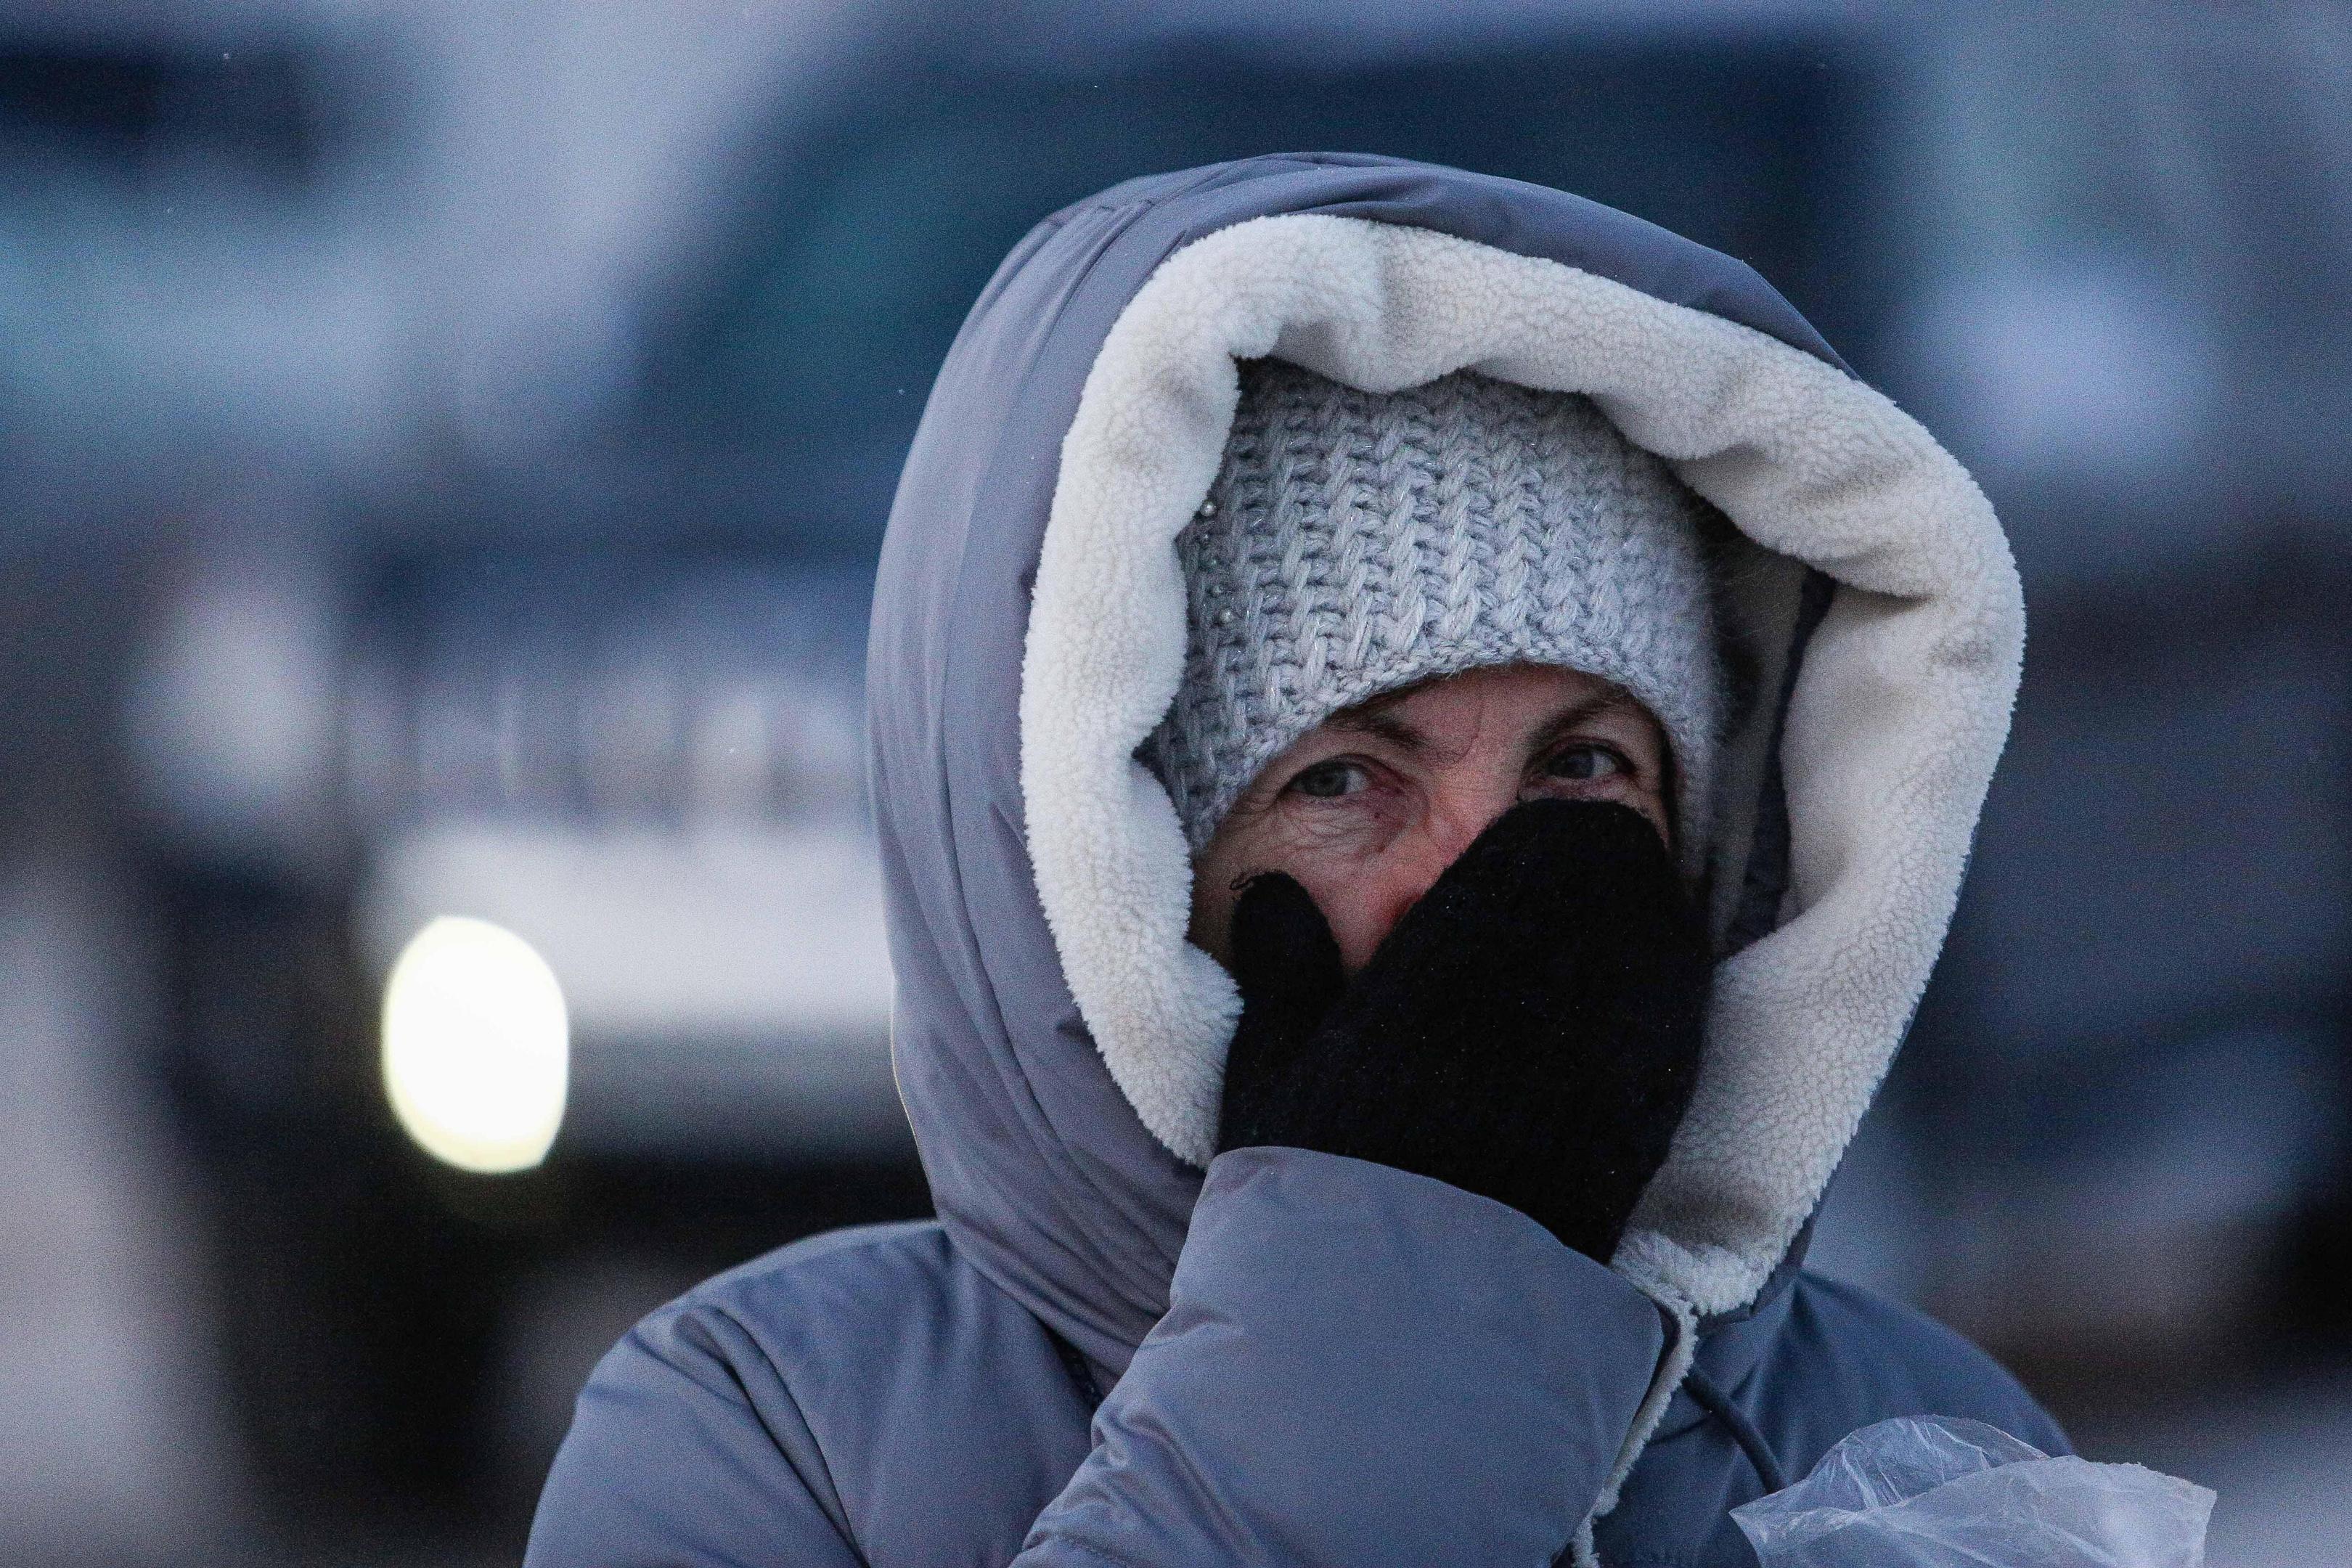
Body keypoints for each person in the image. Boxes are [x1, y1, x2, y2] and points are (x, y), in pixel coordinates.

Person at [526, 154, 2057, 1567]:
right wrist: (1396, 1316)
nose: (1480, 881)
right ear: (1117, 856)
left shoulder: (1914, 1451)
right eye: (1345, 781)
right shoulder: (760, 1436)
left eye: (1583, 771)